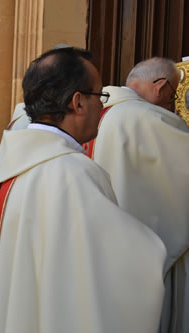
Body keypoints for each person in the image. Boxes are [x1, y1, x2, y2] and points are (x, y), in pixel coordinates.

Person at [0, 47, 166, 333]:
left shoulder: (1, 166)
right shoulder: (73, 174)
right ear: (78, 102)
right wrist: (156, 250)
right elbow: (119, 275)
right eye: (100, 96)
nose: (102, 107)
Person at [92, 57, 189, 333]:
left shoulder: (96, 112)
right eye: (171, 97)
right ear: (160, 86)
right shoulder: (148, 118)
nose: (171, 104)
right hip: (142, 256)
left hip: (101, 246)